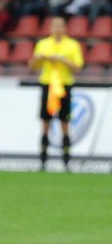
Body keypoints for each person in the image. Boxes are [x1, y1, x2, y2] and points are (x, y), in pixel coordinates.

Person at [28, 14, 84, 170]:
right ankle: (42, 160)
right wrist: (38, 59)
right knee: (45, 122)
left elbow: (77, 68)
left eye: (60, 25)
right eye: (54, 25)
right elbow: (32, 67)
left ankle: (66, 160)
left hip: (64, 85)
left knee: (64, 122)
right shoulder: (43, 44)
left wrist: (62, 60)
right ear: (50, 28)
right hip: (47, 85)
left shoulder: (72, 45)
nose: (57, 28)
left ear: (65, 28)